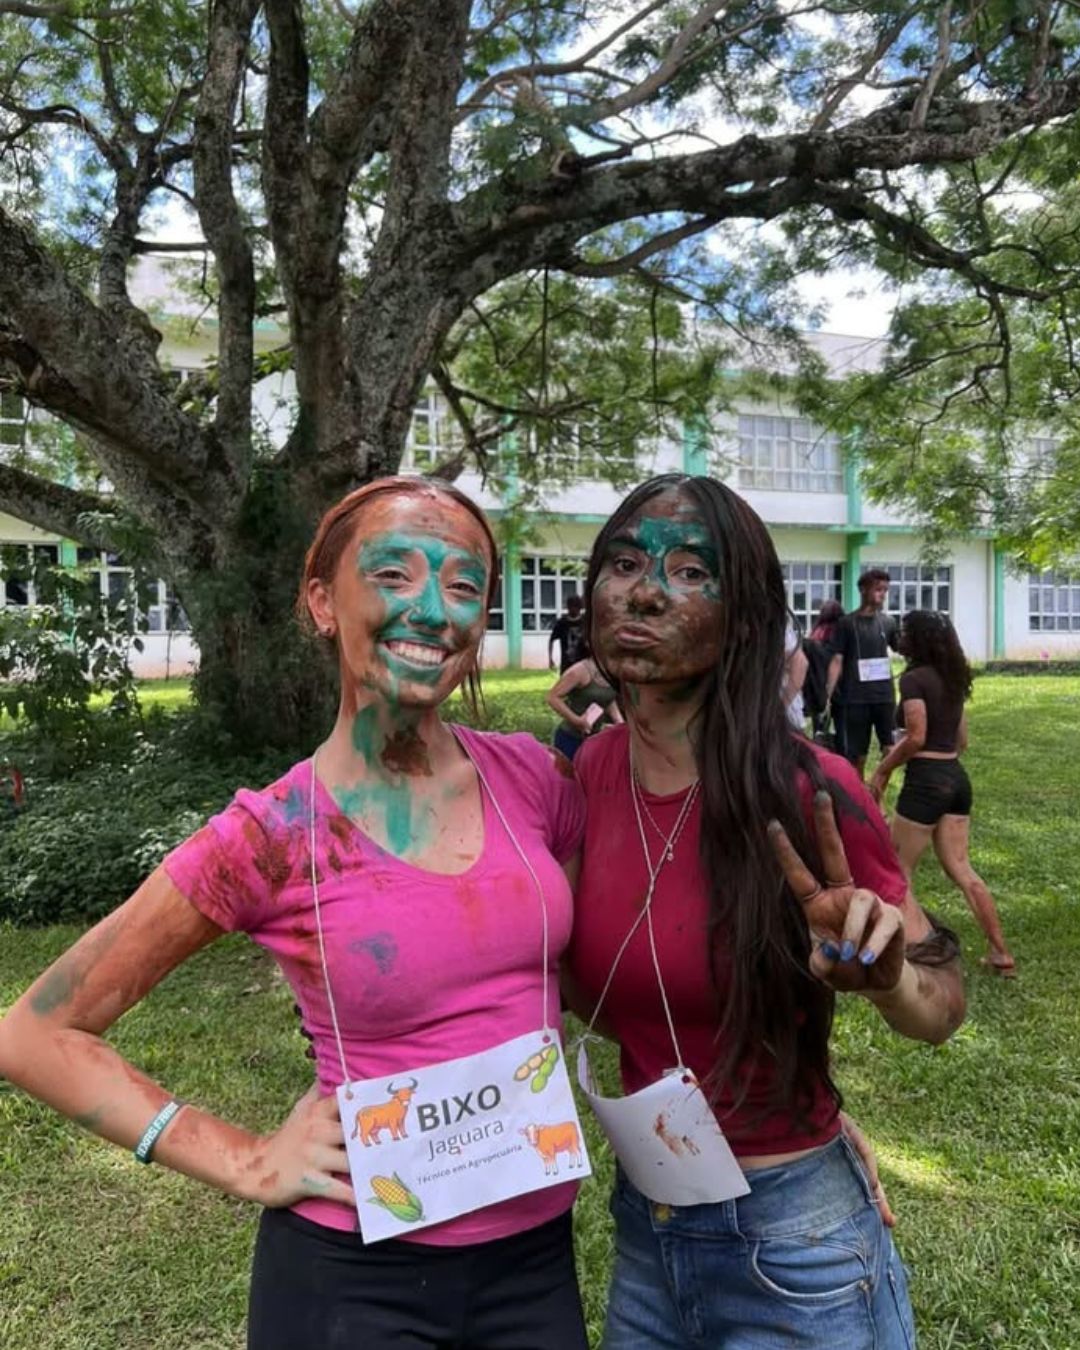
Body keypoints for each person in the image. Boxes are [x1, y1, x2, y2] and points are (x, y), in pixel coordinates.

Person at [0, 477, 591, 1350]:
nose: (433, 610)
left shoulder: (529, 779)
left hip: (535, 1264)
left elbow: (612, 952)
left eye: (464, 585)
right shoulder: (273, 835)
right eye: (392, 575)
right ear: (322, 602)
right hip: (355, 1279)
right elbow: (33, 1035)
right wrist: (242, 1160)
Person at [565, 474, 965, 1349]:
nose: (645, 592)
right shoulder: (584, 778)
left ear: (745, 618)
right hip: (647, 1236)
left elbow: (942, 1006)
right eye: (624, 564)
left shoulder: (808, 786)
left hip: (794, 1247)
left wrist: (891, 979)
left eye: (690, 572)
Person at [870, 610, 1015, 977]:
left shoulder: (914, 680)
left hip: (926, 784)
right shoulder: (953, 679)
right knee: (963, 870)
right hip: (956, 779)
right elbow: (961, 740)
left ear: (918, 639)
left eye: (906, 632)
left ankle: (903, 951)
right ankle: (1001, 953)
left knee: (898, 871)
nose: (900, 638)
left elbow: (916, 736)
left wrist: (884, 768)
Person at [827, 570, 899, 777]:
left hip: (884, 697)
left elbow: (903, 648)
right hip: (855, 698)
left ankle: (877, 791)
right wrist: (828, 694)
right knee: (857, 755)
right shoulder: (846, 623)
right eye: (878, 589)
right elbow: (837, 659)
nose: (882, 594)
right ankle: (858, 791)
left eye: (885, 590)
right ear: (862, 590)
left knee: (891, 749)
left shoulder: (889, 622)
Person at [546, 638, 624, 760]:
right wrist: (577, 721)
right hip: (570, 739)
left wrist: (619, 723)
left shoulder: (611, 671)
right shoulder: (579, 671)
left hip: (594, 740)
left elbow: (607, 698)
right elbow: (552, 697)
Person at [806, 599, 845, 745]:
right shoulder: (843, 632)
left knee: (820, 727)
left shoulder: (816, 633)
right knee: (842, 726)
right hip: (841, 686)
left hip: (818, 685)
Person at [548, 593, 587, 672]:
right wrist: (550, 658)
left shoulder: (585, 622)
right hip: (566, 664)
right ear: (568, 607)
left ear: (579, 608)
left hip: (582, 664)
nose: (573, 609)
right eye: (571, 606)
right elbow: (551, 640)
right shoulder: (562, 623)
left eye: (575, 607)